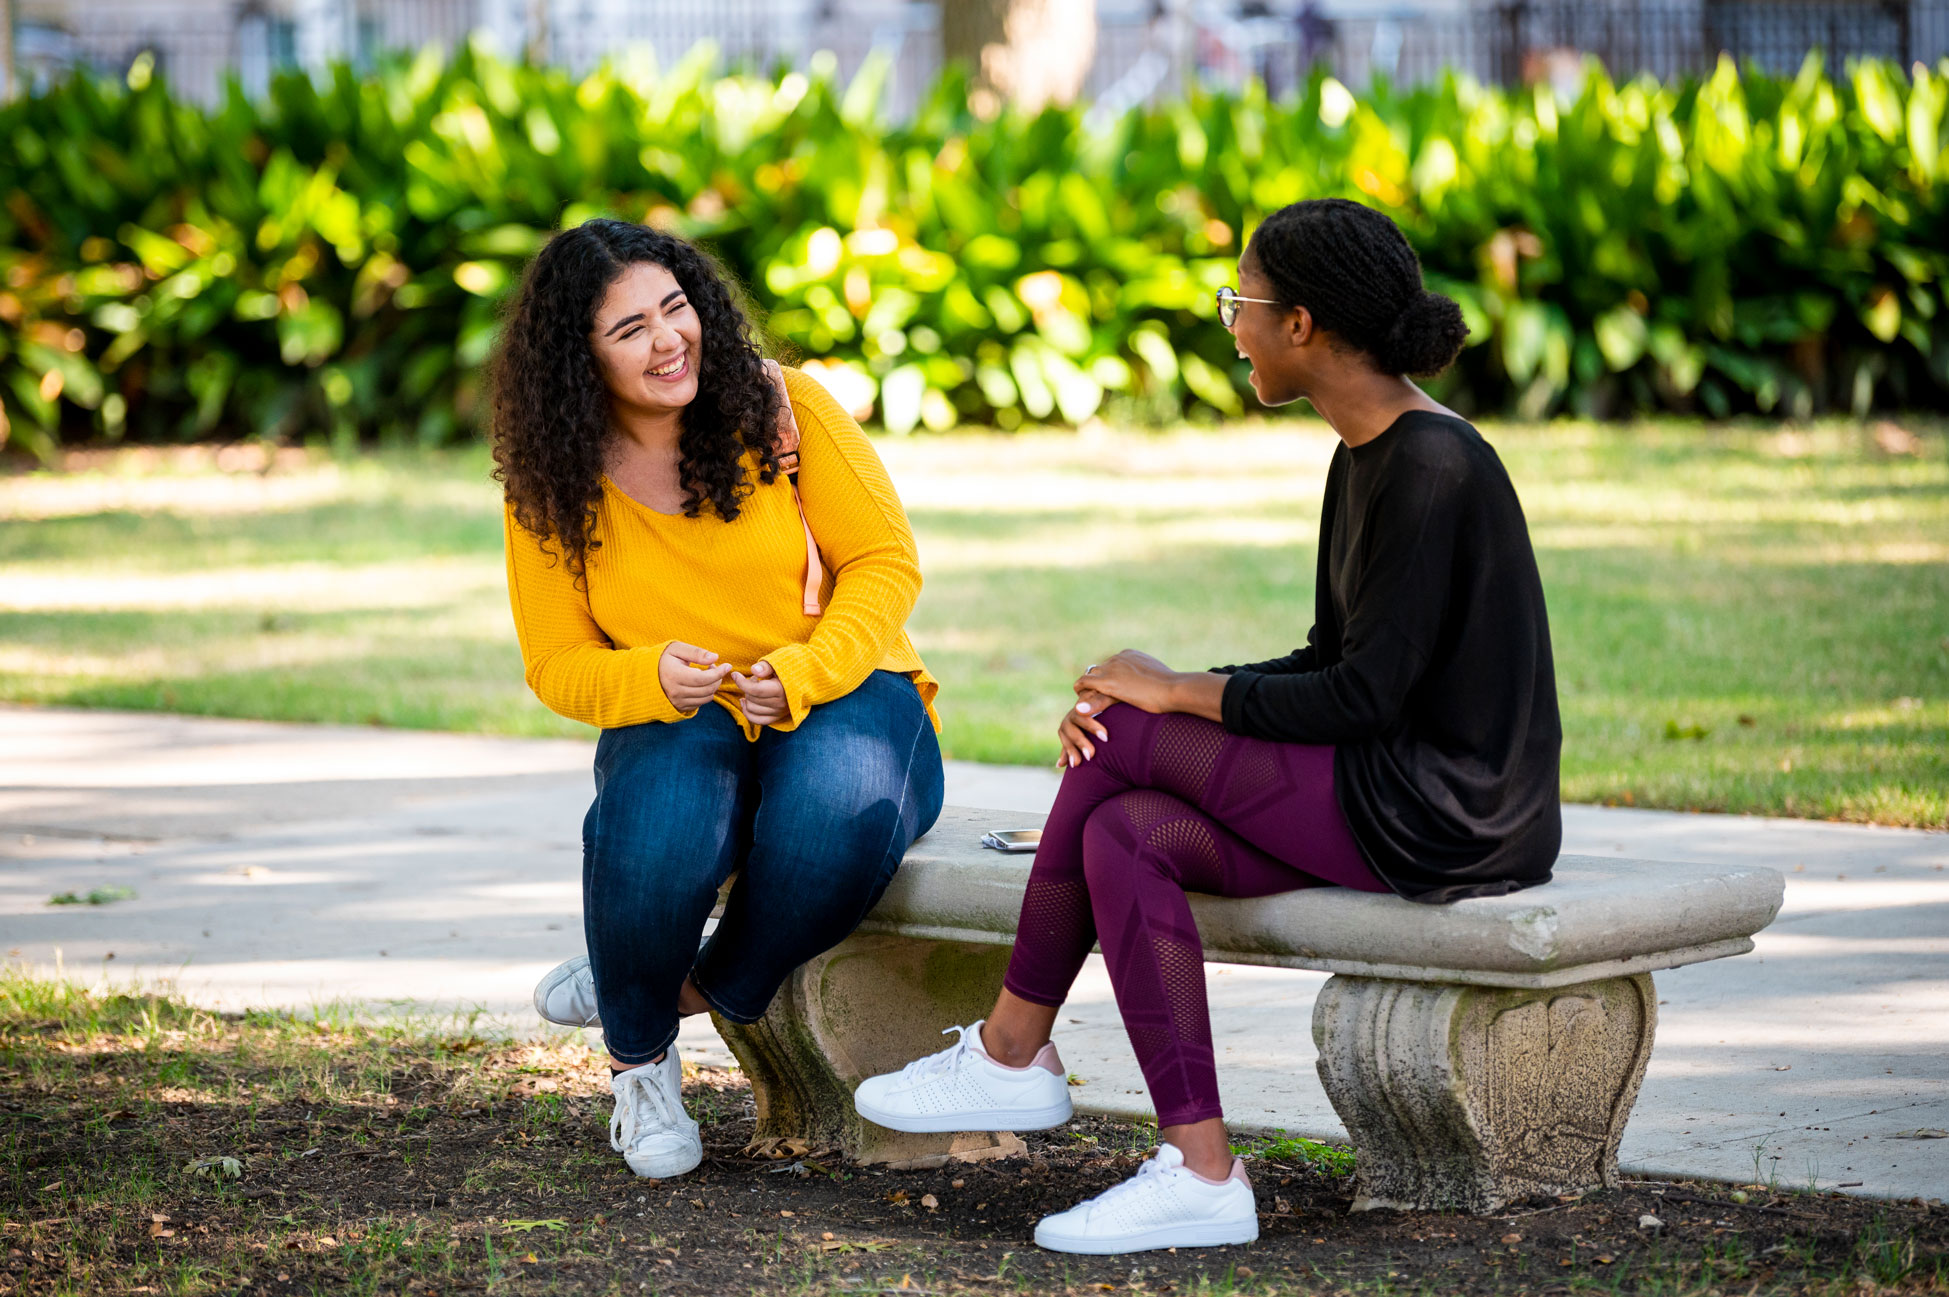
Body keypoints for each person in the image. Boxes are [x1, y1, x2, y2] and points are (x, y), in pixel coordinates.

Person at [854, 198, 1561, 1255]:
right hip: (1385, 785)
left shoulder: (1430, 466)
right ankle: (1198, 1168)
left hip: (1446, 810)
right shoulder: (1363, 453)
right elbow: (1330, 661)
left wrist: (1172, 691)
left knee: (1133, 735)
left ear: (1302, 325)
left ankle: (1011, 1049)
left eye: (1242, 302)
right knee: (1119, 830)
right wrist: (1157, 690)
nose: (1229, 324)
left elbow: (1362, 698)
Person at [492, 219, 943, 1181]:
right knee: (658, 824)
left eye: (676, 308)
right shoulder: (552, 483)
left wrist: (809, 669)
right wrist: (646, 676)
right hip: (680, 705)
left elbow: (884, 562)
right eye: (629, 330)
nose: (668, 341)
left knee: (835, 818)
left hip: (844, 682)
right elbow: (556, 660)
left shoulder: (785, 407)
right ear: (578, 362)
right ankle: (640, 1064)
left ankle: (672, 985)